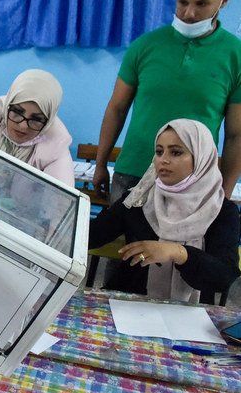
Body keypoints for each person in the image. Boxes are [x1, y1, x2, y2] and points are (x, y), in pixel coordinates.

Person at [93, 0, 241, 204]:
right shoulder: (145, 46)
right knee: (125, 241)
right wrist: (101, 164)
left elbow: (236, 136)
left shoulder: (236, 57)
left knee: (178, 244)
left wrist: (223, 192)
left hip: (193, 183)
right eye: (182, 2)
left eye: (202, 4)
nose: (189, 13)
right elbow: (117, 108)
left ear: (224, 0)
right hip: (133, 174)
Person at [89, 119, 240, 304]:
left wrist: (178, 253)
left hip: (188, 313)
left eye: (176, 152)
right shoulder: (138, 198)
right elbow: (92, 235)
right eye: (159, 152)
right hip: (128, 302)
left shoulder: (221, 210)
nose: (164, 160)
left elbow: (224, 276)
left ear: (202, 158)